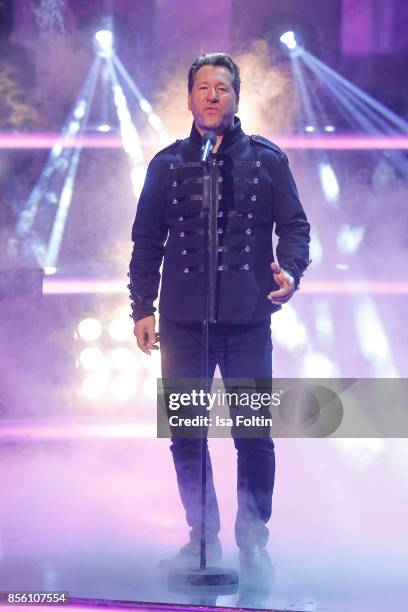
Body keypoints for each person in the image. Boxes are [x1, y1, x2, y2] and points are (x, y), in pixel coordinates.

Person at [128, 52, 310, 585]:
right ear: (189, 98)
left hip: (249, 321)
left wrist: (291, 272)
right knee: (187, 435)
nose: (212, 96)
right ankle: (201, 539)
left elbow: (295, 227)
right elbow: (146, 241)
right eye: (203, 87)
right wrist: (142, 307)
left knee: (253, 436)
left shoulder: (268, 160)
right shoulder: (165, 165)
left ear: (235, 99)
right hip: (183, 326)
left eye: (222, 88)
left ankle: (254, 544)